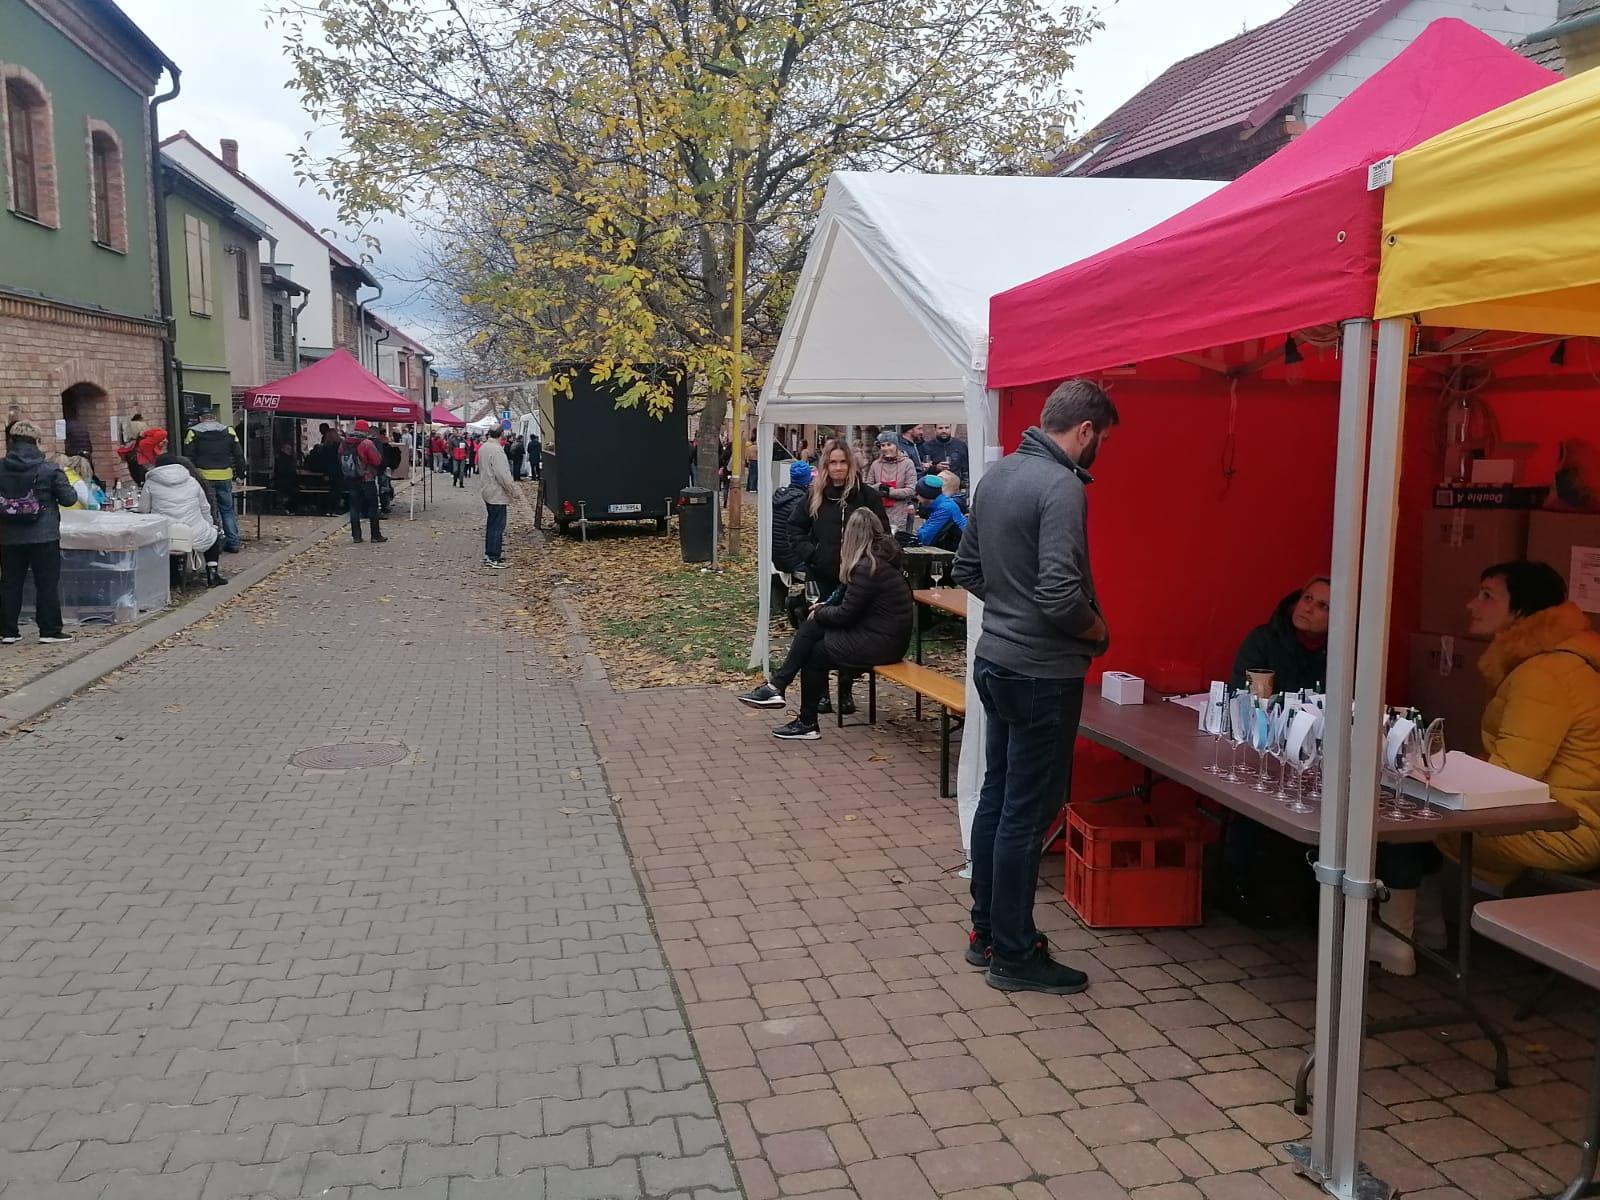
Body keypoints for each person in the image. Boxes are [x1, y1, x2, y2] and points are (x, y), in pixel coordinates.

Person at [953, 379, 1116, 995]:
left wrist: (1010, 609)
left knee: (999, 799)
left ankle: (988, 932)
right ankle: (1015, 954)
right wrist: (1097, 631)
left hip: (996, 660)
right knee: (1025, 812)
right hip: (1042, 672)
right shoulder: (1061, 485)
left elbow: (967, 568)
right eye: (1101, 439)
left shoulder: (998, 475)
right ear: (1085, 430)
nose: (1099, 449)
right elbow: (1059, 594)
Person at [1372, 561, 1600, 977]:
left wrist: (1430, 777)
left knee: (1404, 813)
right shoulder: (1561, 660)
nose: (1472, 604)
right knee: (1417, 800)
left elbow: (1509, 777)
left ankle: (1395, 938)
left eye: (1487, 596)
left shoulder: (1545, 674)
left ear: (1522, 610)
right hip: (1569, 817)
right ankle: (1425, 925)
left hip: (1565, 829)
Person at [739, 507, 912, 739]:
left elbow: (845, 615)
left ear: (851, 536)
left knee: (814, 653)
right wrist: (823, 610)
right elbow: (848, 605)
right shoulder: (878, 559)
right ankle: (782, 693)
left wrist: (820, 611)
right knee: (814, 632)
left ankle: (797, 710)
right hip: (884, 637)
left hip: (881, 643)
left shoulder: (867, 567)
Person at [1219, 577, 1331, 932]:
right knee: (1252, 792)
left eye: (1322, 606)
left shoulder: (1344, 654)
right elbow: (1245, 699)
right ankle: (1237, 886)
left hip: (1319, 753)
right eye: (1307, 598)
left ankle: (1314, 896)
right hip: (1262, 746)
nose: (1308, 608)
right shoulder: (1264, 641)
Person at [0, 421, 79, 645]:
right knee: (46, 583)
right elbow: (69, 499)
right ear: (37, 441)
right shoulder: (49, 469)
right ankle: (49, 630)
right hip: (44, 536)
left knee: (9, 582)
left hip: (8, 536)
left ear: (11, 441)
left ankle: (7, 631)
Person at [136, 429, 226, 588]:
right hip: (195, 531)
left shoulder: (151, 482)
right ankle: (212, 573)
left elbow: (143, 509)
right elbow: (205, 507)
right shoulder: (192, 481)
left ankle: (173, 577)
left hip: (167, 533)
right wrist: (210, 524)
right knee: (213, 536)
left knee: (166, 542)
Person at [183, 406, 245, 553]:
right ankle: (233, 542)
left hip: (204, 477)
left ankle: (215, 544)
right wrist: (240, 474)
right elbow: (239, 455)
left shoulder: (193, 432)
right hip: (225, 476)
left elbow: (188, 458)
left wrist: (192, 476)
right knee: (227, 510)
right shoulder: (229, 431)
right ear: (215, 418)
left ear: (200, 419)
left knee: (209, 511)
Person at [771, 461, 814, 629]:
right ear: (807, 480)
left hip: (775, 555)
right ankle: (803, 604)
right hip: (792, 559)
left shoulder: (778, 496)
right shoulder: (803, 502)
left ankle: (790, 603)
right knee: (824, 567)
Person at [340, 420, 387, 544]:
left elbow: (339, 456)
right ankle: (375, 535)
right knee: (373, 507)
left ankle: (356, 536)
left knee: (354, 507)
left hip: (351, 479)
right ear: (365, 430)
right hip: (367, 479)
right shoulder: (366, 443)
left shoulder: (344, 443)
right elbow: (377, 460)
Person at [863, 433, 919, 534]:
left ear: (896, 446)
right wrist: (879, 487)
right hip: (878, 512)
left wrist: (890, 492)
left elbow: (911, 489)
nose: (886, 448)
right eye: (883, 445)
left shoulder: (907, 463)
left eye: (889, 445)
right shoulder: (876, 464)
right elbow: (868, 487)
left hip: (900, 513)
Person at [478, 426, 516, 568]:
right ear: (501, 434)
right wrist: (512, 490)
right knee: (497, 526)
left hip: (487, 489)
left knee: (492, 523)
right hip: (497, 492)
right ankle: (494, 556)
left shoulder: (484, 448)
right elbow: (502, 474)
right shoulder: (497, 450)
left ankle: (490, 553)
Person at [915, 473, 968, 550]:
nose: (916, 497)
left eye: (917, 493)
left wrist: (920, 531)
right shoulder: (941, 504)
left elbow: (925, 539)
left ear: (924, 495)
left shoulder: (944, 509)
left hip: (960, 551)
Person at [273, 441, 300, 513]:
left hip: (284, 482)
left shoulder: (283, 458)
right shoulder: (284, 459)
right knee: (295, 492)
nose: (290, 451)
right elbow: (286, 471)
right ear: (283, 449)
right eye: (288, 449)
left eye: (290, 449)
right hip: (285, 482)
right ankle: (290, 508)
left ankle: (290, 508)